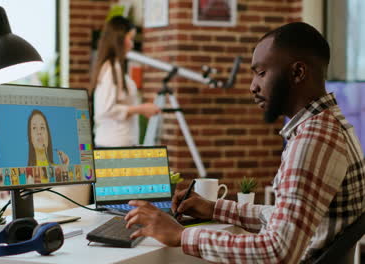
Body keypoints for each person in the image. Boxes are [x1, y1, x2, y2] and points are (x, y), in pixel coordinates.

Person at [124, 22, 365, 263]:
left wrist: (181, 235)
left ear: (298, 73)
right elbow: (288, 217)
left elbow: (277, 250)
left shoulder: (313, 140)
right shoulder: (331, 125)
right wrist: (214, 209)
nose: (253, 86)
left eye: (261, 73)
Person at [90, 16, 161, 147]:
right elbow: (105, 110)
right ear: (119, 38)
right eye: (131, 38)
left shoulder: (115, 68)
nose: (132, 44)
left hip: (119, 143)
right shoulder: (111, 69)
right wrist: (140, 109)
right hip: (113, 145)